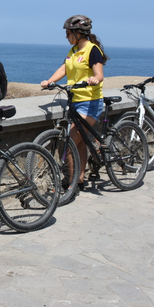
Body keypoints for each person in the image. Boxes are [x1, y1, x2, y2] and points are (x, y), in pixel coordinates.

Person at [40, 15, 108, 192]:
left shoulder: (92, 50)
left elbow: (99, 74)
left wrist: (94, 79)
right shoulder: (73, 51)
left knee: (68, 142)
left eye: (68, 33)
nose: (66, 36)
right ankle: (79, 178)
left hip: (90, 102)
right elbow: (64, 68)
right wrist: (50, 81)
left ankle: (70, 183)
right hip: (76, 101)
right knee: (80, 143)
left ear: (78, 33)